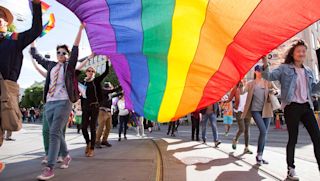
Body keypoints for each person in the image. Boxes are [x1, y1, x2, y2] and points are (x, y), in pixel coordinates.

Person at [31, 24, 84, 180]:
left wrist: (80, 29)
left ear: (67, 55)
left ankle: (50, 167)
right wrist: (33, 39)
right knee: (56, 132)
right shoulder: (51, 65)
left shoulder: (69, 66)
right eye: (58, 52)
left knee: (54, 133)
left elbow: (75, 48)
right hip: (50, 103)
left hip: (63, 102)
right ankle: (66, 155)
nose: (60, 54)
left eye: (63, 53)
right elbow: (36, 55)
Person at [262, 40, 320, 180]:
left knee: (317, 138)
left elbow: (312, 89)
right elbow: (268, 76)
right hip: (291, 106)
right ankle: (291, 169)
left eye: (303, 51)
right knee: (293, 138)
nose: (301, 53)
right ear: (293, 53)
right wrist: (265, 62)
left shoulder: (308, 71)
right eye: (299, 51)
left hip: (306, 106)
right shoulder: (284, 69)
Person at [0, 1, 42, 175]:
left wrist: (37, 5)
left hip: (5, 93)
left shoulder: (14, 40)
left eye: (2, 17)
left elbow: (36, 30)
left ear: (6, 24)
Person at [242, 64, 279, 166]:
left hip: (266, 110)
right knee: (263, 131)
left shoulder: (268, 82)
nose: (260, 72)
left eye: (262, 70)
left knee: (264, 133)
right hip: (255, 111)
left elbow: (277, 91)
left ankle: (260, 155)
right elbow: (242, 92)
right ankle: (259, 156)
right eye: (258, 70)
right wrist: (241, 84)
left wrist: (274, 91)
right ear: (255, 72)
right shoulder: (251, 84)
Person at [80, 62, 109, 156]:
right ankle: (88, 143)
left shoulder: (95, 81)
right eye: (89, 71)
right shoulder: (82, 83)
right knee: (83, 127)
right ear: (86, 72)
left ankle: (92, 148)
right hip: (85, 107)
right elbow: (81, 96)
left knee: (92, 128)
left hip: (94, 107)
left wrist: (107, 61)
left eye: (93, 71)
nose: (91, 72)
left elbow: (106, 72)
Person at [225, 81, 253, 154]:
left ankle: (246, 148)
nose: (243, 79)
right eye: (242, 78)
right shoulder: (235, 88)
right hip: (239, 111)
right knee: (242, 129)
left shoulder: (248, 87)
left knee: (247, 130)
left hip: (247, 111)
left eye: (244, 78)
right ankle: (235, 139)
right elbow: (230, 98)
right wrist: (223, 101)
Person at [96, 82, 122, 148]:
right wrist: (121, 85)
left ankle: (104, 140)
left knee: (108, 127)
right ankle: (97, 141)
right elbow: (113, 91)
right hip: (102, 111)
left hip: (108, 112)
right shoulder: (103, 91)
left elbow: (114, 95)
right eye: (110, 87)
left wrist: (122, 92)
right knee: (101, 127)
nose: (111, 88)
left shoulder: (108, 94)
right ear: (107, 87)